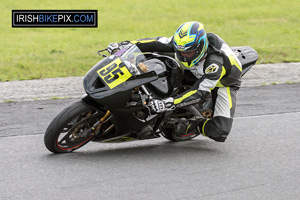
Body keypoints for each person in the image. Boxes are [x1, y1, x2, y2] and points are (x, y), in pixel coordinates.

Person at [107, 21, 242, 142]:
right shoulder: (184, 45)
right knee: (156, 59)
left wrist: (169, 103)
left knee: (220, 132)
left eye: (188, 53)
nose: (183, 55)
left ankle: (193, 125)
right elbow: (155, 42)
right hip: (195, 68)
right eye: (180, 51)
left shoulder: (215, 64)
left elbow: (199, 92)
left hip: (222, 83)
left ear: (201, 47)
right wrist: (124, 46)